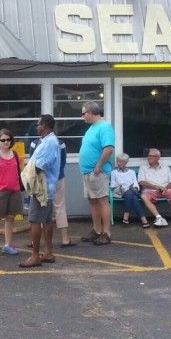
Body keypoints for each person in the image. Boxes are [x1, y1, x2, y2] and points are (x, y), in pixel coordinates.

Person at [20, 114, 61, 268]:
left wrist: (26, 173)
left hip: (41, 187)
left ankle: (35, 255)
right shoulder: (48, 141)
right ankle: (49, 252)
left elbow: (41, 165)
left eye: (38, 124)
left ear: (44, 126)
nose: (37, 127)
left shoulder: (50, 142)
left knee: (35, 220)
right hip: (45, 186)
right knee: (46, 220)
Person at [78, 101, 114, 245]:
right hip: (87, 171)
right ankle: (96, 230)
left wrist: (99, 165)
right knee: (92, 201)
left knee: (102, 200)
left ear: (92, 112)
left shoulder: (104, 127)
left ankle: (106, 232)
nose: (82, 116)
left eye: (83, 113)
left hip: (98, 172)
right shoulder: (92, 128)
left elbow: (109, 148)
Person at [29, 128, 73, 246]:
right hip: (58, 178)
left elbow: (32, 161)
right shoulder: (60, 143)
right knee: (60, 207)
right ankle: (65, 239)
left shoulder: (35, 143)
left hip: (40, 180)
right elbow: (62, 161)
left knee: (39, 210)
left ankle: (35, 241)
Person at [138, 148, 171, 229]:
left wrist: (165, 188)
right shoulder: (143, 168)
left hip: (166, 189)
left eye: (151, 156)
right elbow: (141, 182)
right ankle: (159, 218)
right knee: (143, 196)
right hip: (151, 190)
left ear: (158, 157)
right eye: (148, 156)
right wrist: (157, 187)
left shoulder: (165, 167)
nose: (149, 157)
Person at [110, 153, 149, 228]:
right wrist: (123, 187)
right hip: (119, 192)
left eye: (120, 161)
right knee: (132, 196)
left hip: (131, 191)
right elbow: (113, 186)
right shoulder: (113, 173)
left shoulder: (132, 172)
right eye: (117, 161)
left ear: (126, 162)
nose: (118, 163)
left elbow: (135, 184)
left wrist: (134, 188)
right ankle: (143, 219)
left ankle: (126, 217)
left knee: (130, 194)